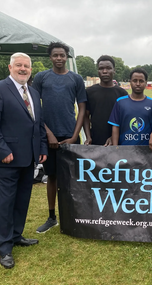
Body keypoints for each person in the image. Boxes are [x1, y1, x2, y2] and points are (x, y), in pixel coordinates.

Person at [0, 53, 47, 269]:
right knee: (6, 202)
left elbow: (38, 124)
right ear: (10, 67)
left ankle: (16, 235)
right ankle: (5, 246)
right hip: (7, 159)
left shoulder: (34, 92)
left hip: (28, 158)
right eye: (18, 65)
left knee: (22, 200)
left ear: (30, 69)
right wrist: (1, 150)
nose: (23, 69)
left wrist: (42, 148)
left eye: (26, 66)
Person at [33, 42, 87, 233]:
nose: (59, 58)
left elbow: (82, 109)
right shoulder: (42, 77)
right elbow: (34, 107)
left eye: (62, 55)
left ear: (67, 57)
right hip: (48, 137)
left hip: (70, 135)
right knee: (52, 176)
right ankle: (52, 217)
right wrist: (47, 133)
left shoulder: (76, 79)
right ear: (50, 57)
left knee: (73, 178)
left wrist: (74, 136)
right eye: (55, 55)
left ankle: (74, 215)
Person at [83, 55, 128, 145]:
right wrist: (88, 137)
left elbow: (125, 120)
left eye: (108, 68)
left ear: (114, 70)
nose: (105, 71)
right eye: (101, 68)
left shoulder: (122, 93)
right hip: (95, 141)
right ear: (98, 71)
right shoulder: (89, 92)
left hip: (116, 142)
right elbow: (85, 116)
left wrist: (113, 137)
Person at [108, 68, 152, 145]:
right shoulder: (120, 102)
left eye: (141, 81)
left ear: (146, 83)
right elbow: (115, 127)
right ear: (130, 82)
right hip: (125, 150)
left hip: (147, 151)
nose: (138, 84)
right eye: (135, 81)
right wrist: (116, 149)